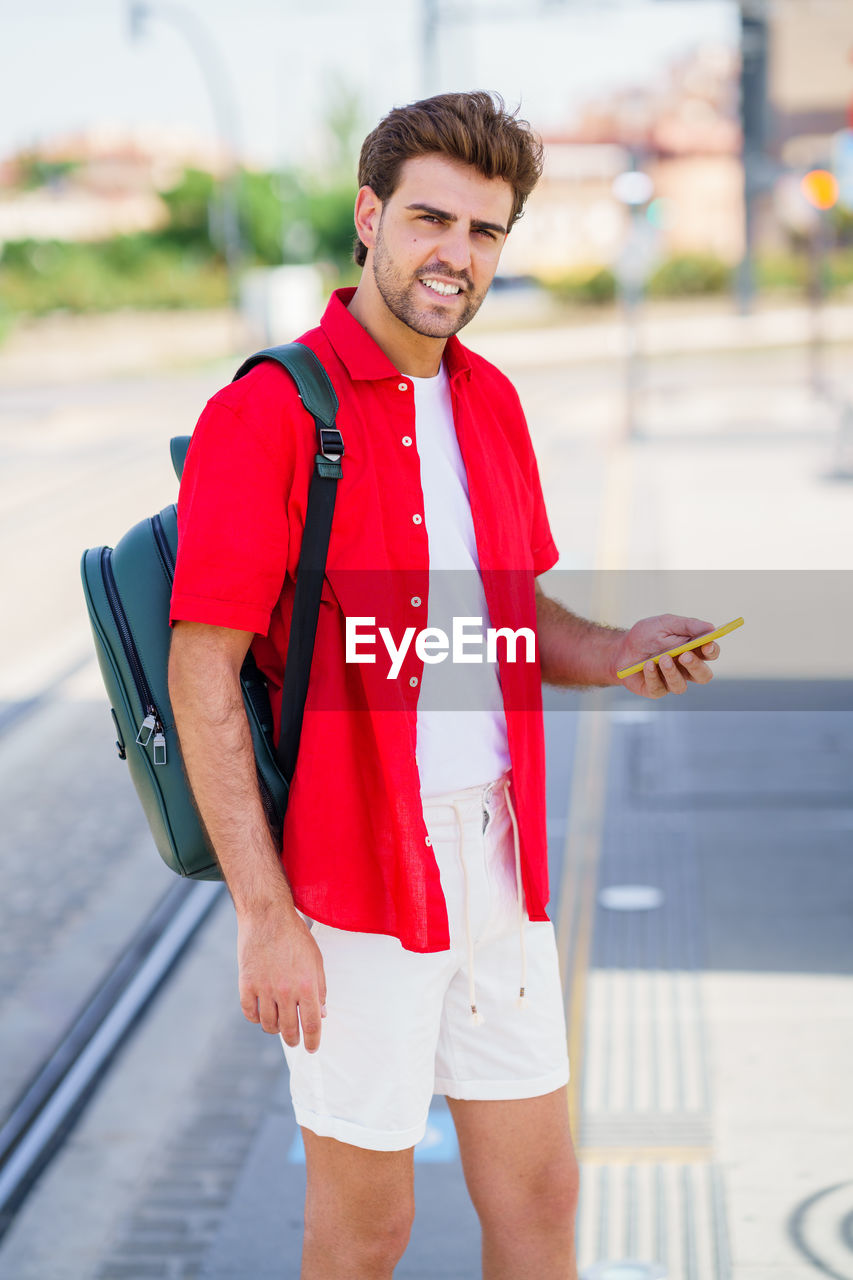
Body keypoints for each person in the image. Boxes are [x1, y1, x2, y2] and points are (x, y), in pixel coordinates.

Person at [168, 91, 720, 1280]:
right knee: (367, 1228)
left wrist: (625, 646)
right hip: (349, 876)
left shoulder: (491, 400)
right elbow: (201, 665)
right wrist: (265, 915)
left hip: (498, 862)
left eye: (484, 231)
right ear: (369, 217)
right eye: (429, 219)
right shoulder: (269, 411)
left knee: (541, 1191)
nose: (453, 255)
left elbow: (512, 620)